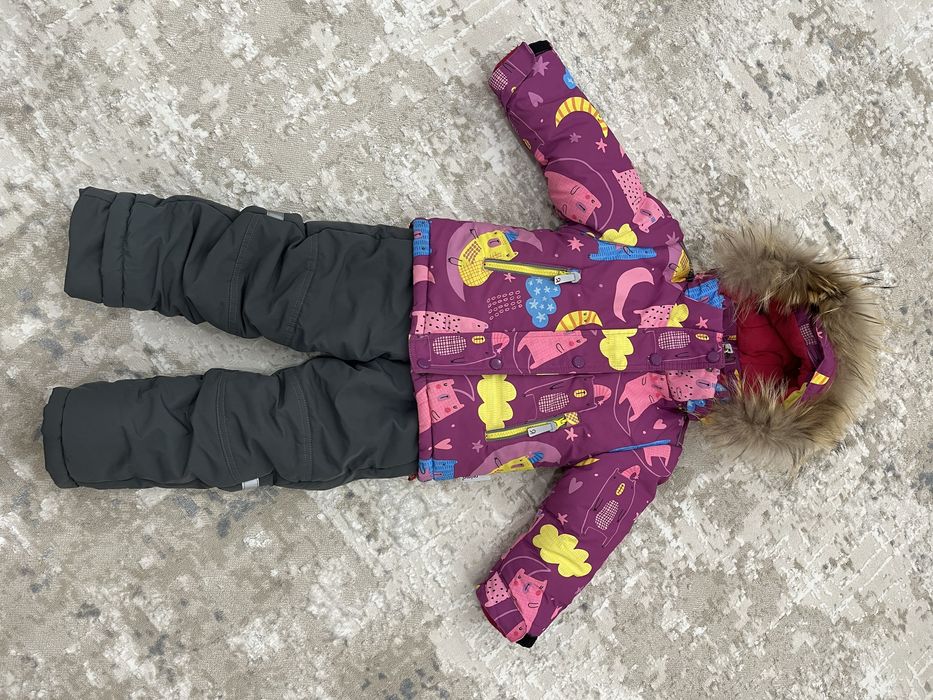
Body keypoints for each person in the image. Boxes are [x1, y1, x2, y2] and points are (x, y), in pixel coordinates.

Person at [41, 41, 879, 647]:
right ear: (766, 298)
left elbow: (583, 527)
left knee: (262, 431)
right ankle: (111, 253)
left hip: (424, 421)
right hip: (415, 287)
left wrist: (526, 597)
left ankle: (80, 434)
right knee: (263, 274)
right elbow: (589, 160)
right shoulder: (649, 252)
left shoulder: (647, 441)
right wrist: (536, 85)